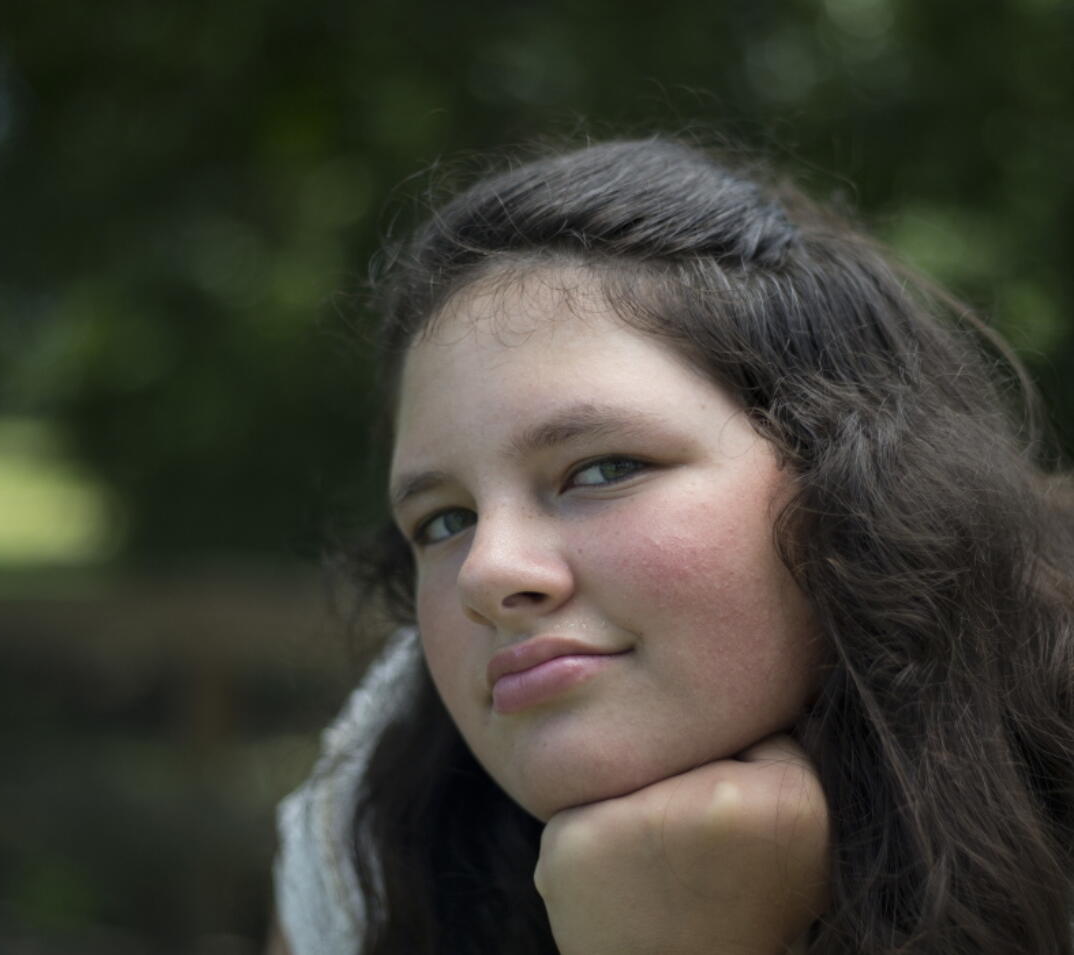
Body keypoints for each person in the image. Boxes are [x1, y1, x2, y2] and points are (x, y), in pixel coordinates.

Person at [269, 137, 1074, 954]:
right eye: (444, 521)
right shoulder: (382, 828)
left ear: (845, 481)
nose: (487, 570)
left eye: (602, 469)